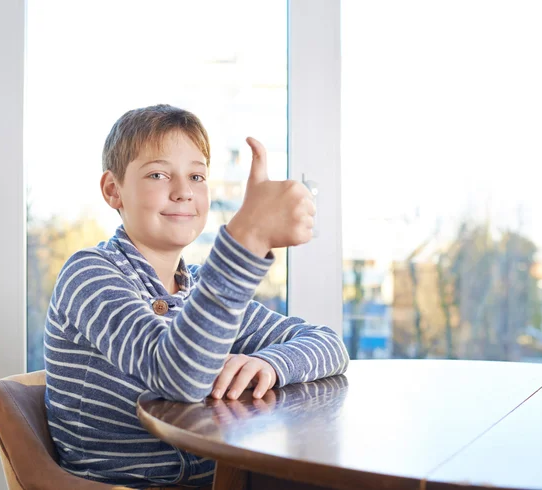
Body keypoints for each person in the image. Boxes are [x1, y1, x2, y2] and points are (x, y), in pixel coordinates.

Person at [44, 104, 349, 488]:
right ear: (113, 190)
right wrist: (247, 239)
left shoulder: (199, 289)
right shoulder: (89, 274)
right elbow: (178, 376)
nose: (184, 192)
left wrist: (271, 364)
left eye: (197, 176)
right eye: (158, 174)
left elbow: (329, 343)